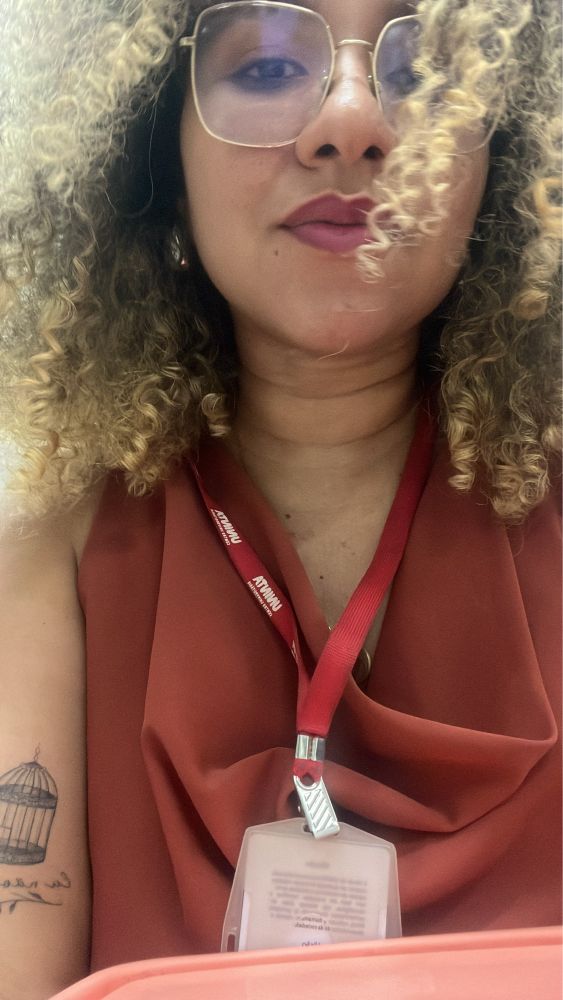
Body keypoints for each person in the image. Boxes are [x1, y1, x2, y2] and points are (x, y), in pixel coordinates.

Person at [0, 0, 561, 996]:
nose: (349, 121)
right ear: (155, 157)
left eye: (424, 74)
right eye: (263, 67)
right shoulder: (48, 553)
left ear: (505, 171)